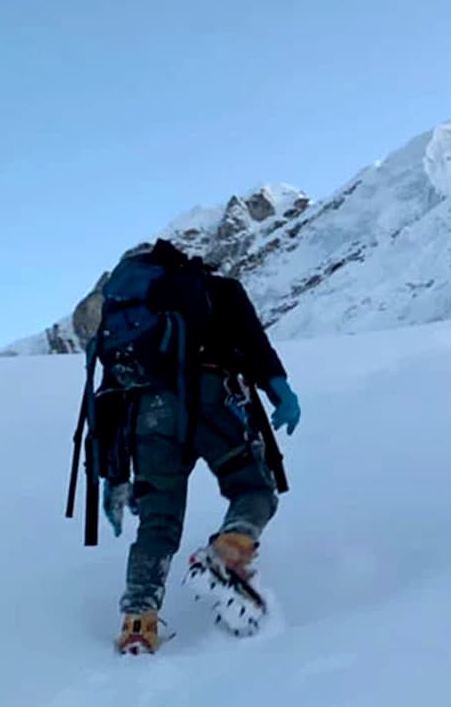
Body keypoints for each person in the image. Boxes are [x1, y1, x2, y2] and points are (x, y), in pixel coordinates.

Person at [78, 239, 301, 655]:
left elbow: (108, 396)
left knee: (157, 522)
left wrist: (114, 476)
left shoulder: (125, 321)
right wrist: (280, 391)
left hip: (149, 415)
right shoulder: (217, 289)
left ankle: (138, 625)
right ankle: (228, 552)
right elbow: (255, 345)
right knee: (252, 489)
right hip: (213, 402)